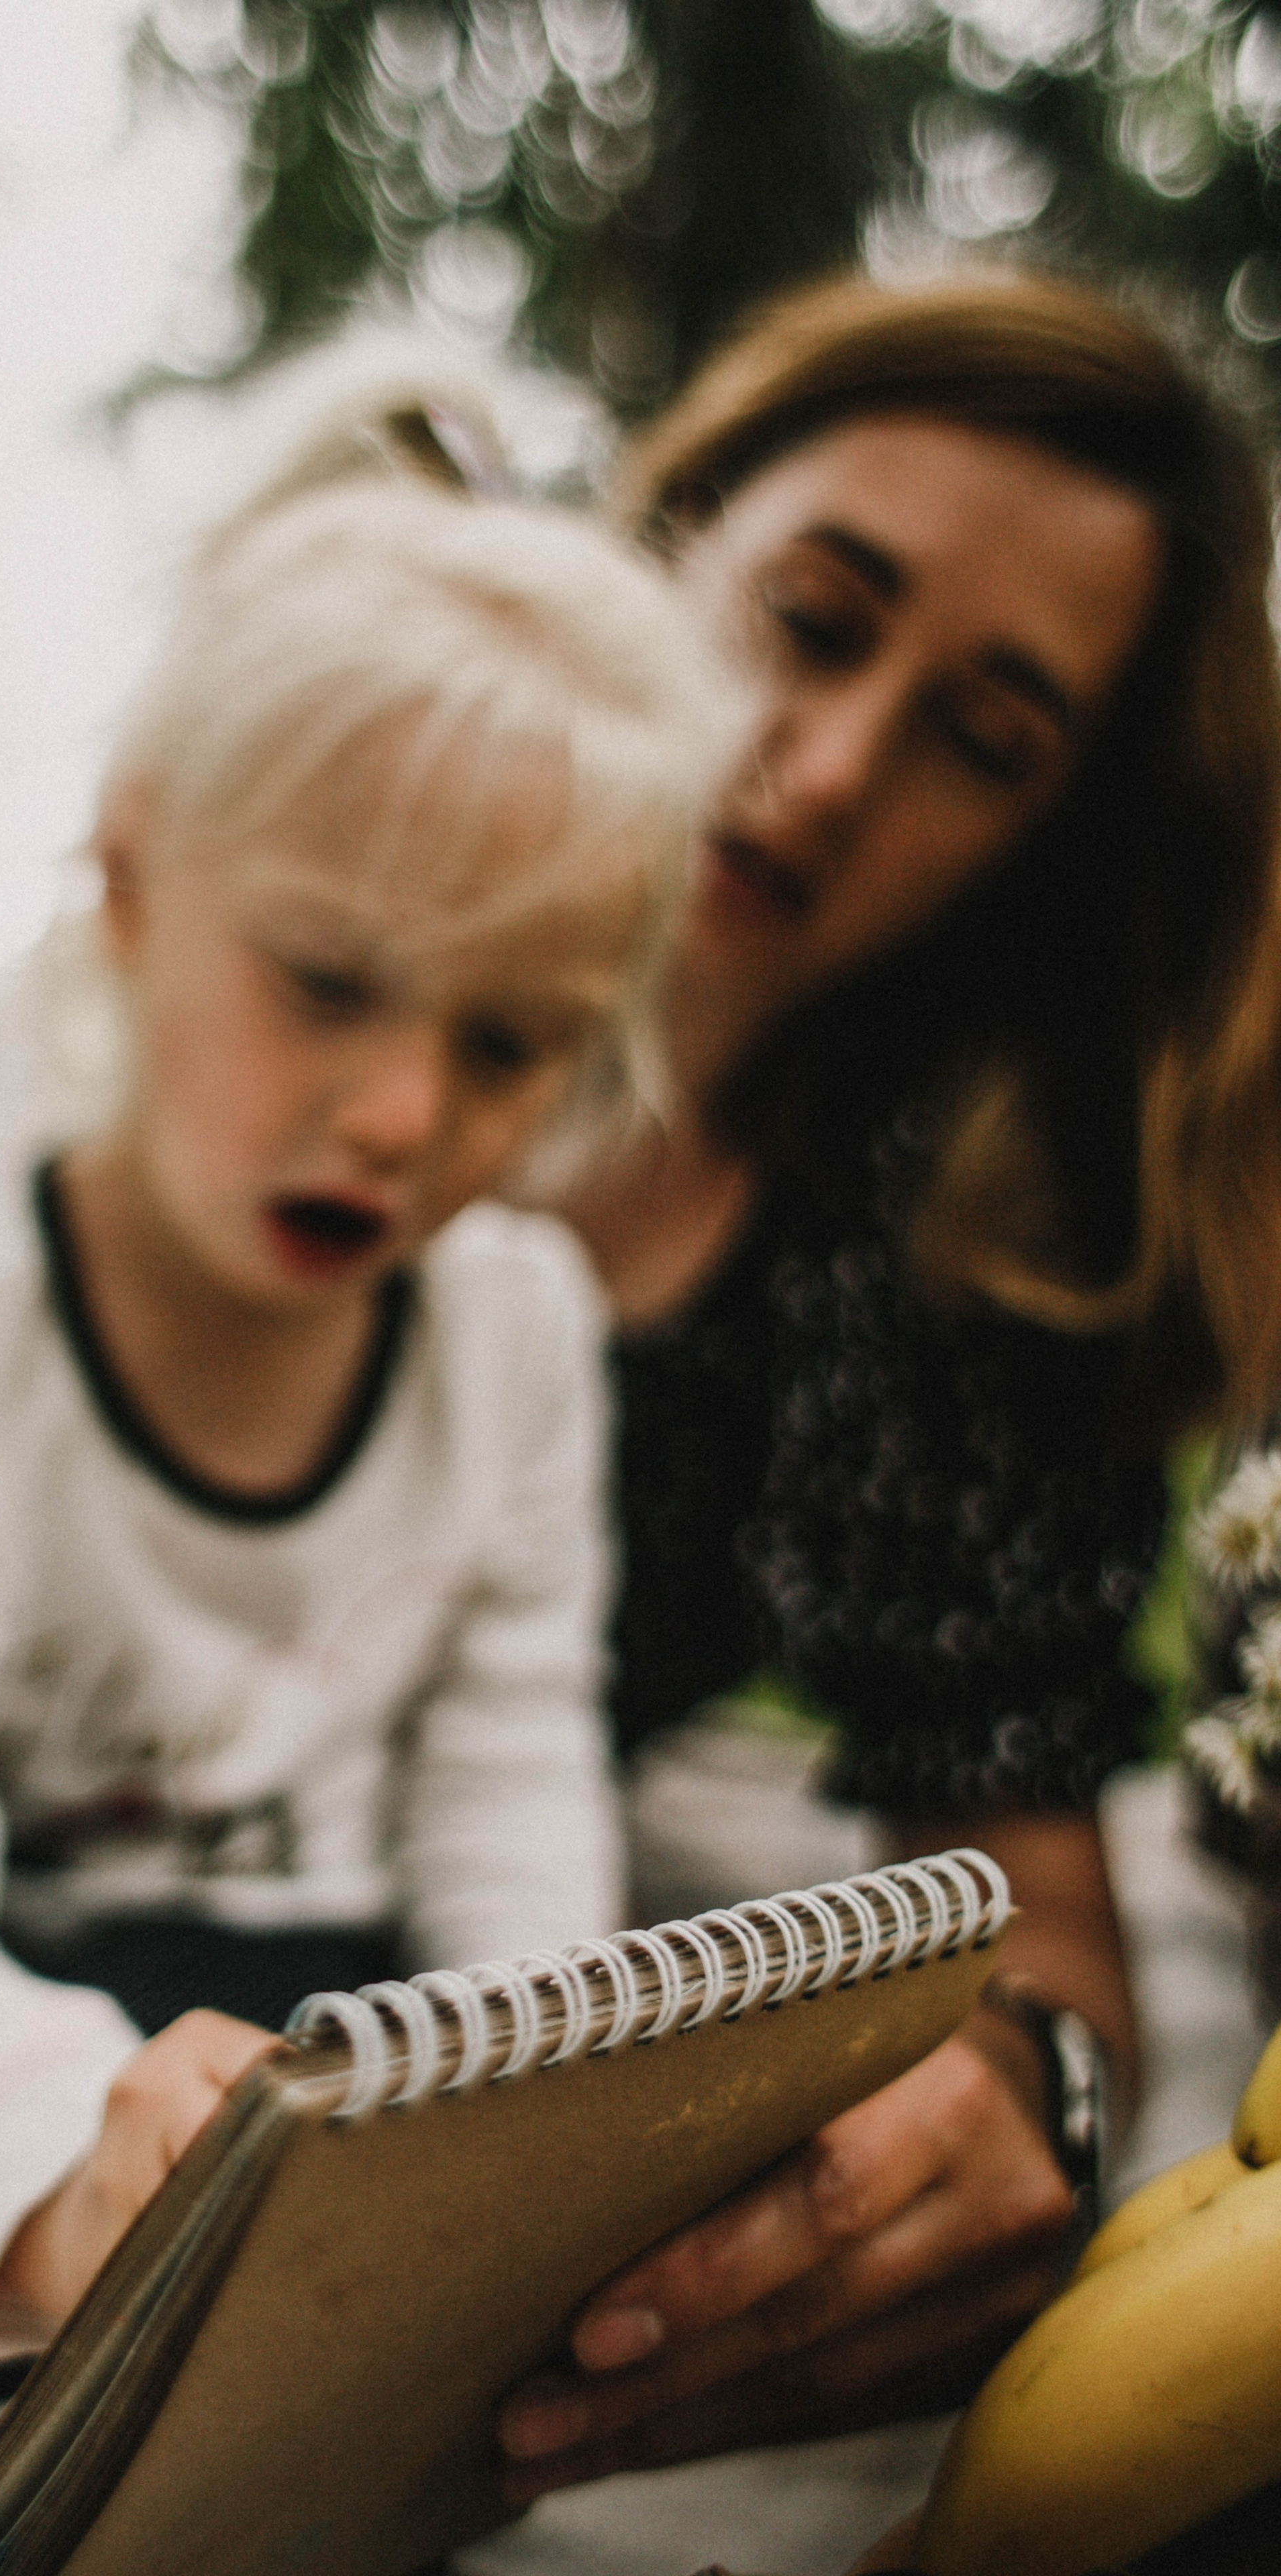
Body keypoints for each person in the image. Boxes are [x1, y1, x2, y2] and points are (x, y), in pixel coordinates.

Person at [0, 369, 731, 2445]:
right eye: (330, 985)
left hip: (313, 2012)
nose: (407, 1113)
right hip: (4, 1974)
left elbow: (507, 1787)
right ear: (135, 890)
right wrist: (54, 2157)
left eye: (513, 1044)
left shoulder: (513, 1329)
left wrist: (515, 2148)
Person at [493, 268, 1281, 2499]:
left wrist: (1023, 2101)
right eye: (820, 618)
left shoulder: (918, 1276)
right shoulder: (272, 912)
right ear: (682, 529)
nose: (828, 770)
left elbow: (1029, 1895)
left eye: (988, 742)